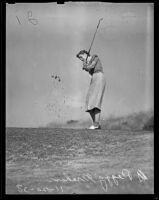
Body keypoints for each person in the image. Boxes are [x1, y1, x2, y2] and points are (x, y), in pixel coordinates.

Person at [76, 50, 106, 129]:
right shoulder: (86, 63)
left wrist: (86, 66)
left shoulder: (94, 57)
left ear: (85, 54)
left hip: (99, 77)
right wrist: (85, 65)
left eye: (81, 57)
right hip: (93, 79)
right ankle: (96, 124)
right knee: (89, 103)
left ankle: (96, 125)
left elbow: (92, 66)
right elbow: (88, 69)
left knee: (96, 102)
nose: (81, 59)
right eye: (80, 59)